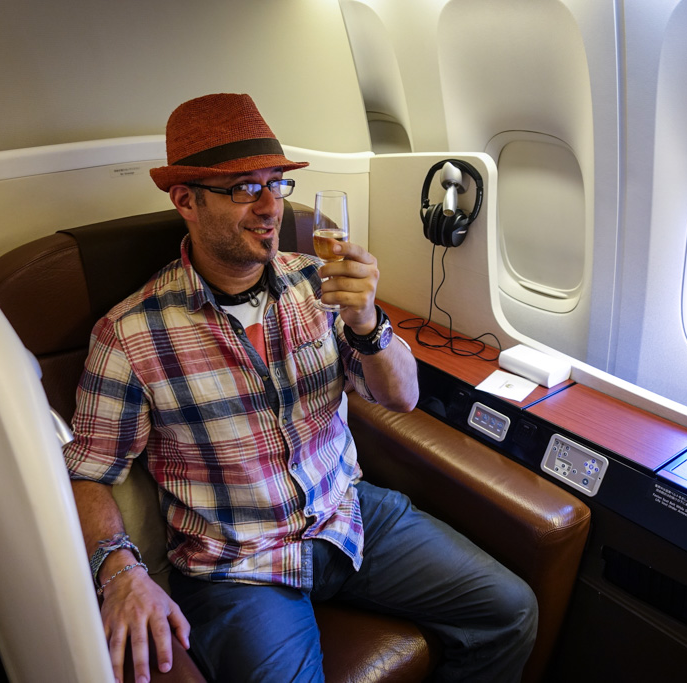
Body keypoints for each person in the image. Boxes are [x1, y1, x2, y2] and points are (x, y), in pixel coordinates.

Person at [63, 93, 537, 683]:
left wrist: (367, 322)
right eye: (245, 188)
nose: (271, 207)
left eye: (276, 184)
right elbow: (87, 473)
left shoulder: (318, 283)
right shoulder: (130, 333)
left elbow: (401, 398)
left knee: (510, 610)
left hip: (347, 516)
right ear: (186, 200)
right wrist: (120, 572)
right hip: (238, 563)